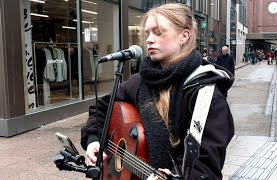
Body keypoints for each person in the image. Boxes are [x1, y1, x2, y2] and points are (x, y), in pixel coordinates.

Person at [80, 3, 234, 180]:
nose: (149, 40)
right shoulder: (140, 81)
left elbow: (205, 169)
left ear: (184, 35)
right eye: (148, 34)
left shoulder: (205, 95)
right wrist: (93, 140)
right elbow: (102, 108)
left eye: (158, 32)